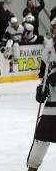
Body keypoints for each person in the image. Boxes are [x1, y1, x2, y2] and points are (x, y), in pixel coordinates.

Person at [27, 18, 56, 171]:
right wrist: (41, 89)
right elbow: (44, 76)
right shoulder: (48, 48)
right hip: (52, 103)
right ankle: (32, 168)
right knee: (41, 137)